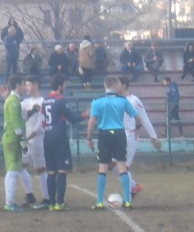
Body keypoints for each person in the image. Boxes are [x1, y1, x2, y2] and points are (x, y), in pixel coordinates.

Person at [86, 75, 137, 210]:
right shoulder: (123, 101)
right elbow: (136, 116)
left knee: (102, 168)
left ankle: (99, 202)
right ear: (115, 86)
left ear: (105, 86)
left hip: (104, 134)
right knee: (122, 167)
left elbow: (91, 122)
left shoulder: (97, 101)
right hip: (120, 134)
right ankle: (128, 201)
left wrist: (89, 138)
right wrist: (136, 129)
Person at [41, 75, 84, 210]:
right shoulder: (61, 100)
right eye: (64, 84)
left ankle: (52, 203)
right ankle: (60, 202)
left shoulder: (45, 100)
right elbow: (72, 118)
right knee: (62, 170)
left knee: (51, 171)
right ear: (60, 86)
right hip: (59, 136)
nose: (65, 87)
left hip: (47, 136)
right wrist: (85, 115)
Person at [118, 76, 161, 198]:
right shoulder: (115, 100)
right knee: (113, 164)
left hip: (130, 135)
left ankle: (129, 192)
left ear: (124, 85)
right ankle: (132, 186)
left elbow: (144, 118)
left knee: (121, 165)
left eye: (118, 83)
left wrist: (153, 136)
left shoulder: (134, 100)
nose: (115, 86)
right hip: (118, 136)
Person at [0, 74, 28, 212]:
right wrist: (22, 138)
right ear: (17, 85)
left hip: (11, 136)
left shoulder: (13, 100)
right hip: (12, 138)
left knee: (15, 169)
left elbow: (19, 119)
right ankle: (9, 201)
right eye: (23, 84)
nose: (24, 87)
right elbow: (15, 121)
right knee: (12, 170)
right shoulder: (13, 101)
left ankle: (11, 200)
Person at [21, 76, 49, 208]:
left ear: (36, 85)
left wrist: (28, 137)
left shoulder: (43, 101)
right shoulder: (24, 102)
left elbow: (40, 126)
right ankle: (29, 194)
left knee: (41, 169)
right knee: (20, 166)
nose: (27, 87)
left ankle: (47, 197)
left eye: (29, 85)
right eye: (26, 85)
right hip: (25, 140)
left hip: (37, 140)